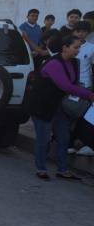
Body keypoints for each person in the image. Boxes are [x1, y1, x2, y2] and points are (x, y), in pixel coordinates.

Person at [29, 34, 94, 181]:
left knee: (64, 137)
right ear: (65, 47)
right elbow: (65, 85)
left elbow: (74, 84)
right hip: (42, 106)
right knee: (43, 139)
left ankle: (63, 169)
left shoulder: (74, 63)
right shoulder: (53, 63)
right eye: (75, 47)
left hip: (60, 106)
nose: (78, 51)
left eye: (79, 47)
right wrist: (89, 95)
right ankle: (41, 168)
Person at [73, 21, 94, 156]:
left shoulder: (92, 48)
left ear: (88, 33)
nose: (81, 33)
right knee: (69, 112)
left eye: (84, 31)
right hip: (71, 84)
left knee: (83, 115)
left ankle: (85, 142)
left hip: (85, 86)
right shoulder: (71, 45)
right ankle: (68, 141)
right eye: (78, 31)